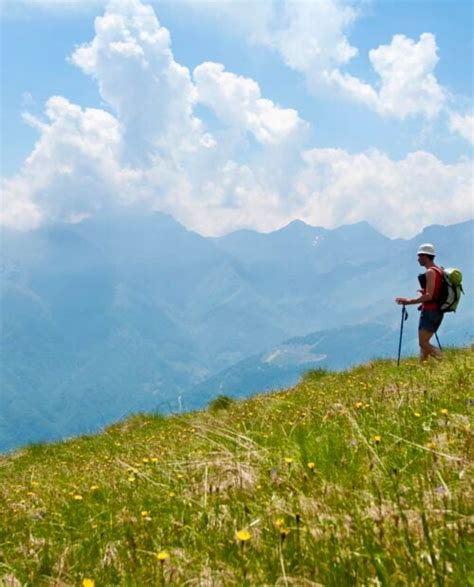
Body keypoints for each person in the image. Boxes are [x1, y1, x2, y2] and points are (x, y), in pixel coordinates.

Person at [395, 243, 443, 362]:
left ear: (425, 256)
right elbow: (435, 292)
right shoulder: (439, 270)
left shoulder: (430, 272)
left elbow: (429, 296)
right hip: (437, 310)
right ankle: (423, 369)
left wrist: (408, 301)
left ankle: (446, 361)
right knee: (424, 344)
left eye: (419, 256)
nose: (418, 259)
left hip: (430, 311)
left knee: (423, 343)